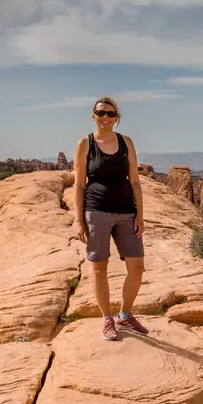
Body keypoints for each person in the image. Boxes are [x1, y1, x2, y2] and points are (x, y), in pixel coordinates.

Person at [73, 96, 148, 340]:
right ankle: (107, 319)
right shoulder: (85, 144)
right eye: (101, 113)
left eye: (111, 113)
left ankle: (125, 315)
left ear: (117, 117)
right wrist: (78, 218)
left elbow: (135, 180)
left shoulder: (126, 142)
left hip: (127, 211)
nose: (106, 117)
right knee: (99, 269)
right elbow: (78, 184)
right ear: (93, 115)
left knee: (137, 266)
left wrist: (140, 214)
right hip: (97, 210)